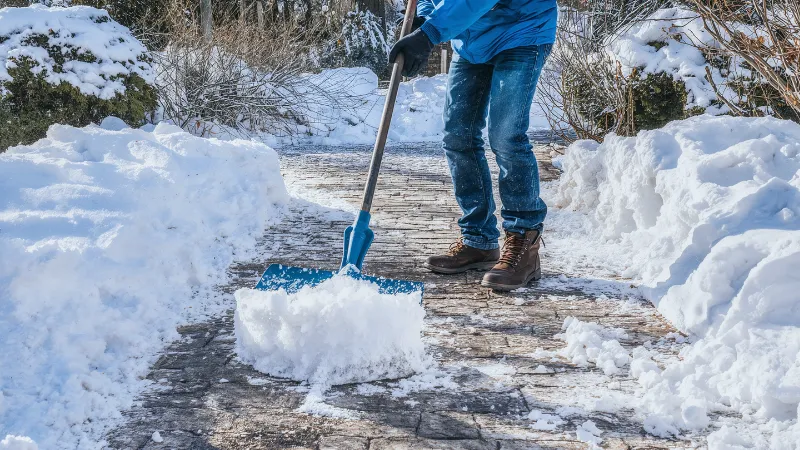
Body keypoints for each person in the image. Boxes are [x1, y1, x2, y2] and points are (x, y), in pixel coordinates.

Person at [388, 0, 558, 290]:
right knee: (458, 136)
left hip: (522, 30)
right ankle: (478, 240)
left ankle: (524, 243)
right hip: (472, 40)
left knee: (506, 136)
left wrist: (429, 34)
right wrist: (424, 17)